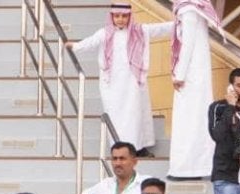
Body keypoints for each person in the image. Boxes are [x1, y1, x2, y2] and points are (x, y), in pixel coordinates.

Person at [66, 3, 172, 156]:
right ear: (112, 17)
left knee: (135, 115)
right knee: (116, 116)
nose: (120, 19)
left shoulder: (139, 31)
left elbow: (159, 29)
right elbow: (90, 42)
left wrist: (180, 23)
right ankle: (119, 147)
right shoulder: (104, 33)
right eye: (117, 16)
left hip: (133, 83)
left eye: (124, 16)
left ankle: (137, 148)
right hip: (112, 84)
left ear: (129, 16)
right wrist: (75, 46)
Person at [167, 0, 221, 180]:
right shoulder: (193, 9)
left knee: (188, 122)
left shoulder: (189, 11)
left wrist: (180, 74)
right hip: (195, 75)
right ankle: (195, 168)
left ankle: (187, 169)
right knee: (194, 121)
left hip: (190, 76)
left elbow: (187, 45)